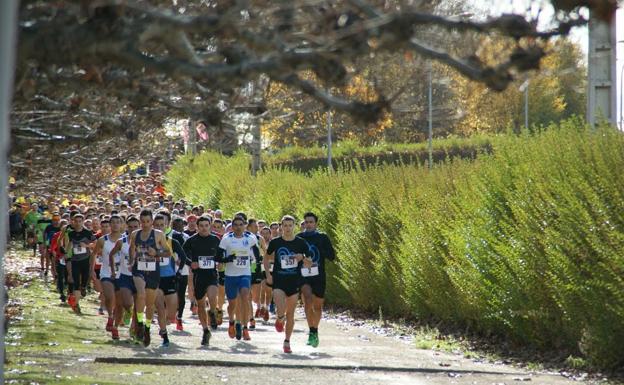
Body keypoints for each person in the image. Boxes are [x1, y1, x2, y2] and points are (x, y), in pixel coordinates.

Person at [264, 215, 312, 353]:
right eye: (285, 225)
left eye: (290, 225)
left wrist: (302, 257)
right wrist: (268, 274)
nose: (288, 228)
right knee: (281, 309)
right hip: (279, 281)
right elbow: (266, 258)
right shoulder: (275, 242)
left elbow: (310, 262)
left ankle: (287, 341)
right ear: (281, 227)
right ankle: (279, 318)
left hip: (294, 282)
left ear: (294, 226)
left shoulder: (301, 243)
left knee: (290, 314)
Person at [128, 209, 173, 347]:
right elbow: (131, 249)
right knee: (140, 294)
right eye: (142, 222)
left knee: (150, 304)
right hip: (139, 269)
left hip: (153, 271)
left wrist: (157, 252)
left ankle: (147, 328)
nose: (145, 224)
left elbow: (168, 253)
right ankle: (140, 324)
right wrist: (131, 261)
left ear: (152, 222)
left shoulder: (159, 235)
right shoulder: (135, 234)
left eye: (148, 222)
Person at [297, 212, 337, 348]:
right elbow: (293, 256)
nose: (308, 224)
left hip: (319, 276)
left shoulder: (322, 237)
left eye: (311, 222)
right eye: (306, 222)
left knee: (318, 306)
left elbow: (332, 256)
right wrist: (302, 257)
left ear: (316, 224)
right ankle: (312, 331)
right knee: (307, 300)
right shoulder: (299, 237)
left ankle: (315, 329)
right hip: (304, 275)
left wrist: (320, 251)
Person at [183, 215, 222, 345]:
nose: (204, 228)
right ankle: (205, 330)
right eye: (201, 226)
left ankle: (212, 311)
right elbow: (182, 255)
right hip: (198, 276)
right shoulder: (191, 240)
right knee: (200, 304)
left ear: (209, 226)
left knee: (212, 297)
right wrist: (190, 262)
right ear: (197, 227)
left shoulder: (215, 240)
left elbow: (221, 255)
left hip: (211, 274)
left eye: (206, 226)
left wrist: (220, 262)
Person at [219, 216, 258, 341]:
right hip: (231, 275)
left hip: (245, 273)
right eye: (235, 225)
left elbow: (256, 252)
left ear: (245, 225)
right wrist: (227, 259)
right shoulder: (227, 239)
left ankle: (245, 328)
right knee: (232, 304)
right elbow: (219, 256)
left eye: (241, 224)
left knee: (245, 296)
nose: (238, 227)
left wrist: (257, 260)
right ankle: (232, 322)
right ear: (232, 226)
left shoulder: (250, 238)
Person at [93, 217, 121, 339]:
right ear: (109, 225)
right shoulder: (102, 240)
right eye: (113, 223)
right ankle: (110, 316)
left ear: (122, 224)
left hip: (122, 274)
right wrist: (91, 271)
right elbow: (94, 254)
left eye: (117, 222)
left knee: (120, 302)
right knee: (110, 297)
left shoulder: (126, 239)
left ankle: (115, 325)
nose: (115, 225)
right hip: (106, 273)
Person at [64, 213, 96, 314]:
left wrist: (86, 246)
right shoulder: (71, 234)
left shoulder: (88, 233)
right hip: (75, 260)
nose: (77, 223)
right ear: (73, 222)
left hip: (86, 260)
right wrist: (66, 252)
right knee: (76, 282)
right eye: (76, 221)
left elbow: (95, 244)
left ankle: (84, 288)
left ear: (83, 222)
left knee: (85, 280)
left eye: (79, 221)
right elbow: (71, 243)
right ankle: (76, 305)